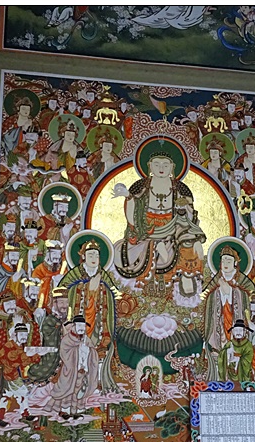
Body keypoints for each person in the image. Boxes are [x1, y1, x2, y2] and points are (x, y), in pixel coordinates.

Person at [112, 151, 206, 294]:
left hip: (173, 231)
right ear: (149, 166)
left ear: (172, 167)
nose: (161, 168)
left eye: (165, 165)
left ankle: (184, 284)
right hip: (145, 231)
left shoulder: (181, 189)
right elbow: (133, 216)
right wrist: (128, 197)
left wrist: (183, 214)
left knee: (190, 249)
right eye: (156, 164)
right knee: (121, 253)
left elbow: (189, 216)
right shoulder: (140, 186)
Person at [58, 238, 118, 392]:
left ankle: (97, 379)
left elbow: (115, 293)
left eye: (96, 255)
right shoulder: (75, 273)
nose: (94, 259)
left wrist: (102, 289)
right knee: (80, 349)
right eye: (90, 255)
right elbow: (61, 291)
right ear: (83, 256)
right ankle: (77, 381)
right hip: (79, 316)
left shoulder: (102, 274)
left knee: (99, 347)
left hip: (99, 319)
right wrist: (85, 287)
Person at [202, 245, 255, 380]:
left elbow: (253, 299)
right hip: (219, 325)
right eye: (223, 260)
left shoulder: (243, 281)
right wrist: (219, 292)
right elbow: (206, 300)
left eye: (229, 260)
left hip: (237, 323)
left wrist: (232, 291)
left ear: (235, 263)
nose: (225, 264)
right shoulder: (215, 281)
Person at [34, 315, 100, 420]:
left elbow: (93, 351)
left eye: (83, 326)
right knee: (65, 389)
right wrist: (78, 349)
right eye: (79, 326)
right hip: (70, 371)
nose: (81, 328)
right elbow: (64, 353)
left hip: (83, 370)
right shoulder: (67, 339)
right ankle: (62, 411)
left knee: (78, 391)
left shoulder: (86, 339)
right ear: (74, 326)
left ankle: (74, 411)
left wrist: (88, 350)